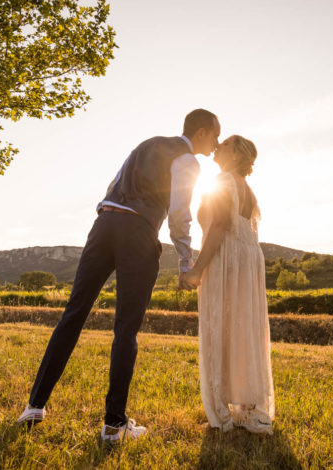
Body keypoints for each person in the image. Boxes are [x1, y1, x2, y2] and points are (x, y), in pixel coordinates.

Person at [17, 109, 220, 442]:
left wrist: (108, 216)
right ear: (200, 133)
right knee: (126, 328)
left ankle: (34, 406)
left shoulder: (146, 145)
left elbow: (113, 184)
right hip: (137, 232)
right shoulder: (187, 160)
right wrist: (186, 262)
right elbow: (179, 213)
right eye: (215, 136)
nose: (216, 143)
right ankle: (113, 425)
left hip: (104, 225)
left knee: (73, 315)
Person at [180, 135, 274, 434]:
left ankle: (224, 407)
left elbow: (219, 226)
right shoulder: (246, 188)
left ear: (237, 154)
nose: (219, 144)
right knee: (244, 326)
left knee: (222, 324)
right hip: (248, 258)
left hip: (228, 257)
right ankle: (248, 406)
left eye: (228, 143)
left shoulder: (223, 181)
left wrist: (197, 269)